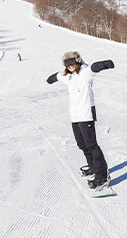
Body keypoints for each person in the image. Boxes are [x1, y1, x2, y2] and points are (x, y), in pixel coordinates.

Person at [46, 51, 115, 189]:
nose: (70, 65)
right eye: (67, 63)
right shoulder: (68, 77)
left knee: (92, 145)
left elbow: (95, 67)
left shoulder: (85, 72)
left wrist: (106, 64)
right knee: (82, 144)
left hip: (86, 114)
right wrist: (50, 79)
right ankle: (93, 167)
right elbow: (57, 76)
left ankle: (102, 176)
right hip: (75, 116)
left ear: (78, 60)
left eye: (72, 62)